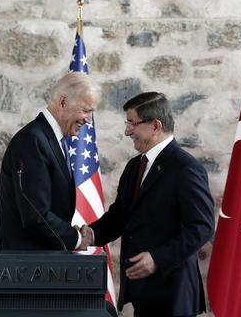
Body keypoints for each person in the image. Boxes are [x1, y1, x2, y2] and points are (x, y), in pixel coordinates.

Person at [81, 92, 215, 317]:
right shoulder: (135, 166)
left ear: (155, 125)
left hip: (173, 293)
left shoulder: (186, 168)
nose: (127, 131)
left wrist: (158, 258)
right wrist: (91, 234)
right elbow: (120, 216)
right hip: (144, 293)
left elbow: (202, 227)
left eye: (132, 123)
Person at [0, 72, 99, 250]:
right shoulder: (33, 140)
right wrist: (77, 239)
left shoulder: (52, 139)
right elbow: (35, 215)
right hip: (21, 265)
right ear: (63, 102)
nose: (89, 120)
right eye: (86, 110)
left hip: (38, 262)